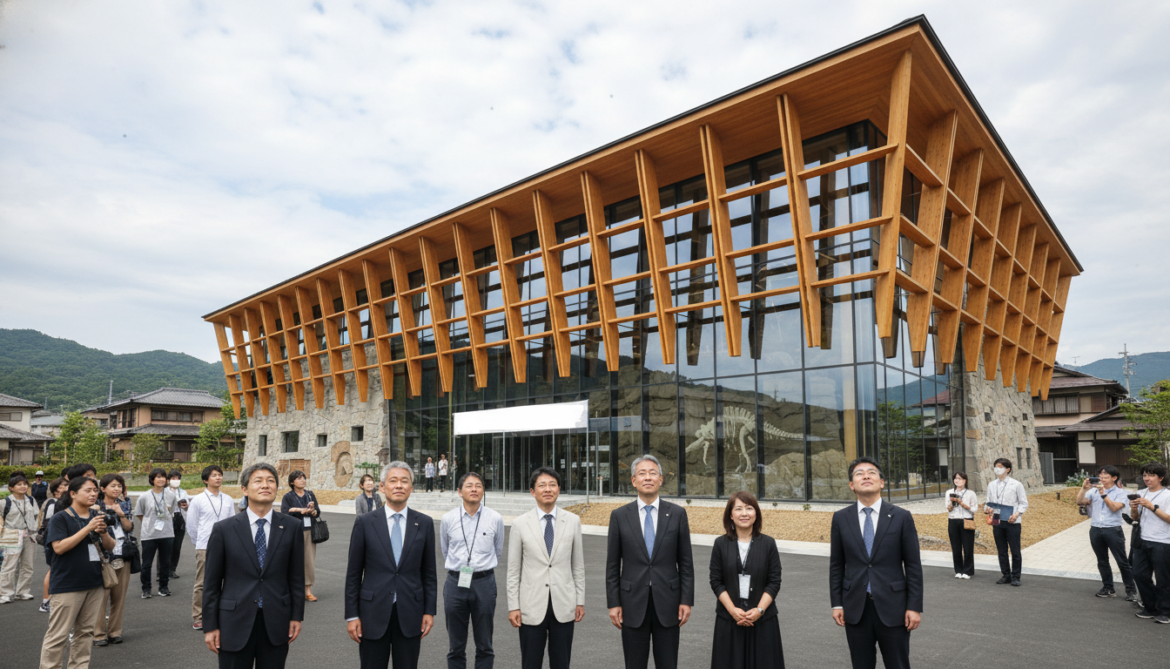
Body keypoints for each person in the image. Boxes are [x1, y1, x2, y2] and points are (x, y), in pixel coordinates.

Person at [203, 463, 305, 668]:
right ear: (244, 489)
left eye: (271, 481)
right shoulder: (224, 529)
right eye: (258, 481)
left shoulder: (292, 526)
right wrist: (210, 626)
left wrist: (296, 615)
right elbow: (211, 583)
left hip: (276, 620)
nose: (265, 485)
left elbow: (296, 577)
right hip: (233, 621)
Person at [830, 457, 923, 669]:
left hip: (894, 608)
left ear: (882, 482)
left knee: (898, 664)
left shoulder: (901, 517)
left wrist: (914, 606)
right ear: (852, 485)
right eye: (859, 473)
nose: (865, 476)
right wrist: (837, 603)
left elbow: (913, 566)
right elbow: (836, 565)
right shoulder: (841, 518)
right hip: (856, 608)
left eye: (872, 472)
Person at [344, 461, 437, 669]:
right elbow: (353, 574)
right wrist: (352, 615)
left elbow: (429, 573)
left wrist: (429, 611)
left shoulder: (424, 523)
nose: (399, 485)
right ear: (382, 487)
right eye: (393, 480)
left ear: (411, 489)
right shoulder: (365, 523)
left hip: (410, 612)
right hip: (372, 612)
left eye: (405, 481)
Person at [605, 454, 694, 669]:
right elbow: (612, 565)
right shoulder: (619, 516)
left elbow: (686, 563)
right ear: (634, 481)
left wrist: (686, 600)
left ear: (661, 480)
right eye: (642, 473)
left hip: (669, 603)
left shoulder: (677, 514)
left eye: (653, 473)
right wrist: (614, 603)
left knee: (668, 664)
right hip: (631, 603)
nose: (648, 477)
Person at [508, 467, 585, 669]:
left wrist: (580, 600)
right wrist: (513, 605)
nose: (547, 489)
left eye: (552, 485)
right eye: (542, 485)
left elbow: (578, 566)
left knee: (561, 663)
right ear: (533, 491)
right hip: (531, 605)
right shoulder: (520, 523)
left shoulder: (573, 521)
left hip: (564, 602)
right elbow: (513, 570)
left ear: (559, 489)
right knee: (530, 663)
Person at [39, 475, 116, 669]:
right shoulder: (61, 518)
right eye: (87, 490)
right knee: (58, 635)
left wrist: (103, 532)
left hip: (95, 582)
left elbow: (111, 546)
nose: (93, 494)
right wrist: (88, 528)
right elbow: (59, 547)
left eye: (95, 490)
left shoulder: (96, 516)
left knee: (85, 634)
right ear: (73, 494)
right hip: (67, 585)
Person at [709, 491, 784, 669]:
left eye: (749, 508)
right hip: (729, 620)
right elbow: (716, 581)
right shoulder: (720, 544)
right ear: (731, 515)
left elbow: (774, 581)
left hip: (763, 621)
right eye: (739, 509)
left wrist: (759, 610)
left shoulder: (768, 544)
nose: (744, 513)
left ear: (756, 514)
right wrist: (733, 610)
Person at [442, 472, 504, 669]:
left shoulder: (495, 518)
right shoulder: (448, 519)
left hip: (484, 583)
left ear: (483, 491)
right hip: (455, 582)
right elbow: (445, 550)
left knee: (485, 643)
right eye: (469, 486)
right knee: (455, 645)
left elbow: (498, 550)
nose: (474, 489)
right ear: (460, 492)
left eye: (478, 486)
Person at [187, 465, 237, 632]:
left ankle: (221, 614)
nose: (218, 478)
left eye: (220, 475)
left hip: (226, 546)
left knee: (228, 581)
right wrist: (199, 543)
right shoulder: (198, 500)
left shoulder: (228, 499)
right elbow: (192, 525)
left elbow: (232, 523)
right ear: (205, 480)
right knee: (202, 583)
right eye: (214, 475)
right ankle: (198, 616)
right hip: (205, 546)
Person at [1076, 465, 1138, 600]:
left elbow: (1115, 508)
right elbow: (1080, 502)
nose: (1102, 478)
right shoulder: (1093, 491)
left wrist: (1103, 494)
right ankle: (1108, 588)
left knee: (1122, 561)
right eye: (1100, 476)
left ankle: (1131, 591)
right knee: (1102, 560)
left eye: (1105, 476)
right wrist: (1084, 488)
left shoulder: (1121, 493)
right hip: (1095, 529)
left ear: (1114, 478)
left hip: (1113, 529)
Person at [94, 474, 134, 647]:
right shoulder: (95, 506)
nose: (117, 489)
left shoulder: (124, 504)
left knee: (119, 596)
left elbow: (129, 528)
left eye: (119, 486)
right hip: (103, 556)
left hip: (122, 554)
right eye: (113, 486)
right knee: (100, 597)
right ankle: (98, 634)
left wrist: (121, 514)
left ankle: (115, 632)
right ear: (102, 489)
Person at [1130, 462, 1170, 624]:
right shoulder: (1141, 493)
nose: (1147, 478)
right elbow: (1135, 518)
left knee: (1163, 579)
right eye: (1145, 475)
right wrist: (1133, 508)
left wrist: (1152, 507)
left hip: (1162, 542)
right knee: (1139, 574)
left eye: (1151, 475)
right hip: (1142, 541)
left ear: (1160, 477)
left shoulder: (1167, 495)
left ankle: (1165, 611)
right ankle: (1150, 607)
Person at [983, 457, 1028, 586]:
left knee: (1015, 550)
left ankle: (1016, 576)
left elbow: (1023, 503)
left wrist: (1017, 514)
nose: (997, 469)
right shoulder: (991, 484)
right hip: (997, 519)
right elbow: (988, 502)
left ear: (1007, 469)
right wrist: (988, 509)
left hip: (1012, 520)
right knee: (1001, 550)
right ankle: (1006, 574)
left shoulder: (1016, 484)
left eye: (1000, 466)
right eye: (996, 466)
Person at [134, 467, 178, 598]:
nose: (162, 479)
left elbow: (172, 512)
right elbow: (139, 514)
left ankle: (163, 587)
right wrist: (149, 524)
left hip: (167, 533)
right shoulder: (144, 496)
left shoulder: (171, 495)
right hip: (149, 534)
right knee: (147, 564)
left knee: (165, 563)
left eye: (163, 477)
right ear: (152, 479)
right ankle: (146, 589)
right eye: (158, 477)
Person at [280, 470, 320, 602]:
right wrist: (300, 510)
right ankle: (292, 589)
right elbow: (285, 512)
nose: (303, 480)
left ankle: (308, 591)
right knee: (293, 559)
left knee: (309, 560)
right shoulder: (288, 496)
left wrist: (313, 510)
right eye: (299, 478)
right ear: (292, 482)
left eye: (304, 478)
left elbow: (317, 512)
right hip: (293, 531)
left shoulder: (309, 494)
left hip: (308, 530)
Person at [0, 473, 40, 604]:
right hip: (11, 536)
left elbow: (36, 516)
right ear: (11, 488)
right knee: (9, 566)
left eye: (24, 484)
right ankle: (5, 593)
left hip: (29, 536)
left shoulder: (31, 500)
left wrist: (34, 531)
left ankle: (23, 591)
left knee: (28, 565)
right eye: (19, 484)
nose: (23, 486)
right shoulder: (4, 502)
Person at [38, 477, 68, 613]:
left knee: (56, 569)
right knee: (53, 569)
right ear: (57, 489)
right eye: (64, 485)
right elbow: (50, 522)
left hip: (58, 537)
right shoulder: (53, 503)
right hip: (52, 538)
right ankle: (46, 601)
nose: (66, 487)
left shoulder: (63, 502)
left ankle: (51, 600)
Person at [945, 472, 977, 579]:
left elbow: (974, 509)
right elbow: (948, 509)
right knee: (956, 547)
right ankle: (958, 570)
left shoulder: (970, 493)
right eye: (955, 478)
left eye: (960, 478)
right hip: (953, 520)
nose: (957, 480)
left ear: (965, 480)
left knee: (968, 547)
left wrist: (962, 504)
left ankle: (967, 571)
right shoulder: (949, 492)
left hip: (967, 520)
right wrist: (952, 503)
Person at [169, 469, 192, 580]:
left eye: (178, 478)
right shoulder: (165, 491)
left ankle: (172, 569)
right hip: (168, 519)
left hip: (180, 520)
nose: (176, 480)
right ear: (168, 480)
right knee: (166, 546)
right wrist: (174, 503)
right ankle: (162, 571)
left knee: (177, 546)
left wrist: (185, 506)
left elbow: (188, 507)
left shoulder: (183, 492)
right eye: (173, 478)